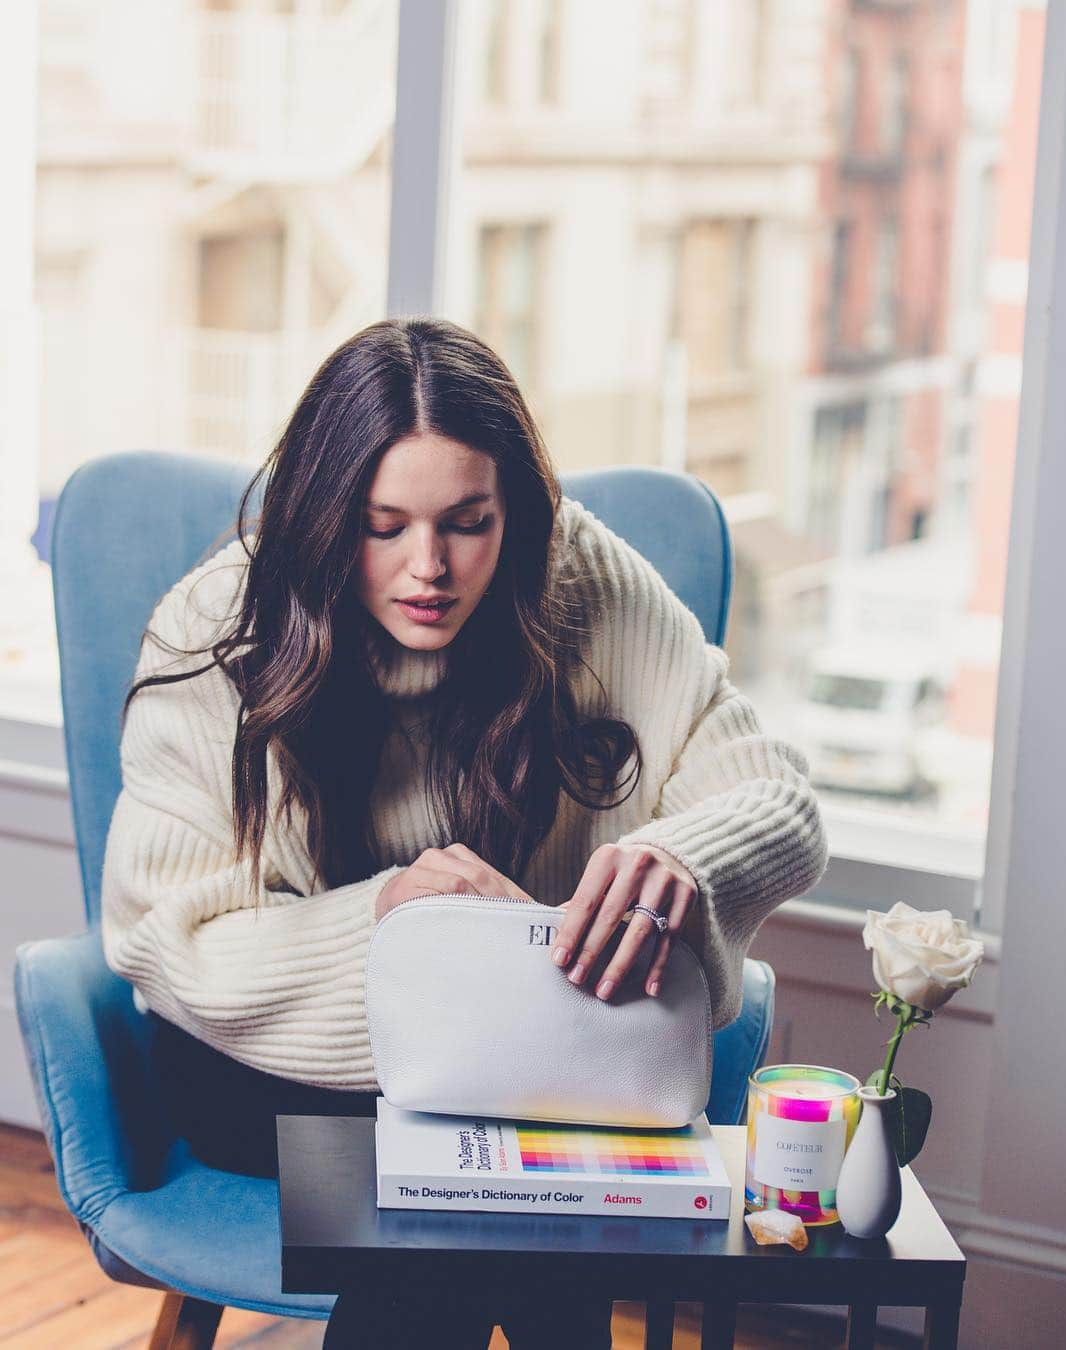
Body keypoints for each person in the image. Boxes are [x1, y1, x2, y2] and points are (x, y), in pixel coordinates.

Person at [101, 316, 828, 1347]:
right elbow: (161, 939)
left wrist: (680, 860)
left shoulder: (581, 580)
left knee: (485, 1197)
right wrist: (389, 928)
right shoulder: (221, 624)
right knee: (479, 1210)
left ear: (515, 511)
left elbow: (781, 805)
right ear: (320, 514)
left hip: (521, 1064)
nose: (427, 567)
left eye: (468, 521)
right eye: (382, 524)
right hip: (270, 1065)